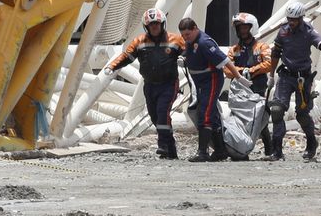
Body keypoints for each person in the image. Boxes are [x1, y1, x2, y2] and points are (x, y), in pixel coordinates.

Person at [267, 2, 321, 161]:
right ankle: (277, 150)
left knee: (302, 115)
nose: (291, 22)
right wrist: (270, 75)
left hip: (303, 79)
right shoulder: (283, 32)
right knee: (276, 110)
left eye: (295, 19)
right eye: (289, 19)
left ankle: (311, 143)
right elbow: (275, 53)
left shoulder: (309, 32)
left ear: (301, 18)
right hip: (285, 76)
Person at [105, 8, 185, 160]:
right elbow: (126, 57)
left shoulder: (175, 40)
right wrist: (112, 66)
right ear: (146, 27)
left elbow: (189, 53)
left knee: (162, 113)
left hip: (169, 84)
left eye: (157, 24)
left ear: (163, 24)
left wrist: (185, 59)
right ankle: (171, 149)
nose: (154, 27)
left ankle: (162, 145)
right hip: (149, 85)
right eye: (151, 25)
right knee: (156, 118)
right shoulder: (139, 41)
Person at [178, 17, 251, 162]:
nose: (185, 38)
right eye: (183, 35)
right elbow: (193, 54)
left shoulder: (205, 43)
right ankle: (220, 150)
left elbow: (225, 61)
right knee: (212, 114)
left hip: (210, 80)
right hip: (199, 81)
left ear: (195, 29)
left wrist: (238, 77)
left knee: (205, 113)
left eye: (188, 34)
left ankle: (202, 152)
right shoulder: (191, 41)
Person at [224, 12, 273, 158]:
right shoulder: (234, 50)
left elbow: (269, 63)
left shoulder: (262, 47)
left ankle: (269, 149)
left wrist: (251, 71)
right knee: (238, 119)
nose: (242, 31)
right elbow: (227, 69)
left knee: (260, 118)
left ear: (252, 27)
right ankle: (240, 148)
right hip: (239, 91)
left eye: (245, 28)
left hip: (257, 87)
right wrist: (241, 72)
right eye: (239, 28)